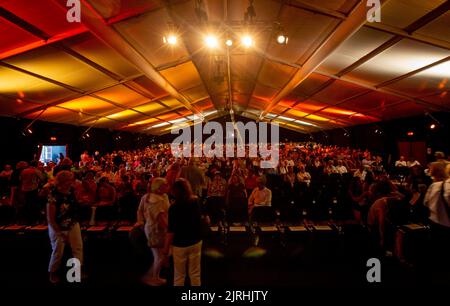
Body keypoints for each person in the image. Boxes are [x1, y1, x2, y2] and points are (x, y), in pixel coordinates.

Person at [163, 179, 204, 286]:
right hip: (195, 240)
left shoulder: (173, 208)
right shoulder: (195, 201)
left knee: (179, 275)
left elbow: (171, 231)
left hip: (180, 244)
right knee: (195, 273)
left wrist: (165, 250)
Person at [46, 171, 83, 284]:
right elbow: (51, 219)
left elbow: (73, 206)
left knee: (77, 248)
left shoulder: (71, 192)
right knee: (58, 250)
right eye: (70, 180)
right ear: (64, 181)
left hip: (72, 223)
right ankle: (53, 272)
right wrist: (60, 232)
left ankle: (76, 272)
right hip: (58, 226)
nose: (73, 182)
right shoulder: (53, 196)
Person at [135, 178, 170, 286]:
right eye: (165, 185)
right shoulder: (154, 199)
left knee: (158, 255)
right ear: (159, 187)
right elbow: (160, 219)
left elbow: (140, 210)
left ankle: (151, 275)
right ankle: (154, 278)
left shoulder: (162, 196)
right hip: (155, 229)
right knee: (160, 255)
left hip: (152, 228)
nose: (167, 187)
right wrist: (140, 221)